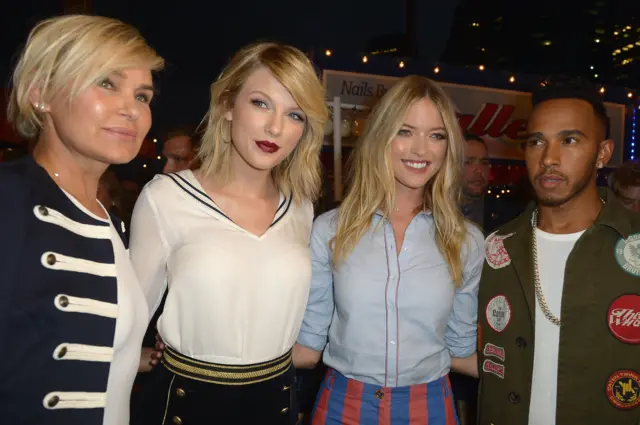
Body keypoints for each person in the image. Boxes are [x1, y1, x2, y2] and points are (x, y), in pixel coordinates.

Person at [129, 41, 327, 425]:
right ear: (226, 105)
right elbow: (129, 318)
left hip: (278, 404)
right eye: (260, 103)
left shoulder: (301, 207)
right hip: (185, 405)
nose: (276, 127)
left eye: (296, 115)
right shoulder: (166, 197)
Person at [0, 14, 163, 425]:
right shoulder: (8, 198)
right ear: (40, 93)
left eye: (142, 96)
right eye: (107, 83)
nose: (132, 110)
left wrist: (131, 355)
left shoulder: (108, 218)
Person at [295, 75, 484, 424]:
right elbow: (308, 345)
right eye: (405, 131)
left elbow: (462, 347)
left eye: (436, 135)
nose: (421, 149)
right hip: (342, 404)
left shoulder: (466, 240)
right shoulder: (330, 230)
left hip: (428, 405)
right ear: (382, 135)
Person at [477, 79, 640, 424]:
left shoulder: (634, 247)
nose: (548, 158)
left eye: (569, 140)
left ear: (603, 153)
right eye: (536, 141)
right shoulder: (495, 248)